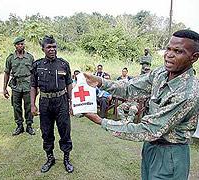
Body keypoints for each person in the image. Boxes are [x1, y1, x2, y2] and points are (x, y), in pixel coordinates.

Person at [83, 29, 199, 180]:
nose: (169, 55)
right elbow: (130, 88)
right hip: (151, 147)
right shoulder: (161, 73)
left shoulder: (188, 93)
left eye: (178, 51)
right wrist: (100, 82)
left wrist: (102, 121)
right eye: (168, 49)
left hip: (170, 154)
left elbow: (150, 129)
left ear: (194, 57)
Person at [31, 35, 74, 173]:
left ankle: (66, 158)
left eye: (54, 47)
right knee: (46, 132)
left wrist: (71, 103)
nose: (52, 49)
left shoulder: (64, 64)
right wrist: (32, 104)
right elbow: (33, 86)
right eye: (49, 47)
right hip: (45, 103)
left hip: (61, 101)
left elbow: (69, 84)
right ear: (43, 48)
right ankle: (50, 158)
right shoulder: (37, 65)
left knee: (65, 131)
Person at [3, 36, 35, 136]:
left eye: (22, 44)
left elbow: (34, 73)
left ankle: (29, 125)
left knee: (28, 106)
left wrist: (36, 87)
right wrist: (4, 88)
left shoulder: (30, 57)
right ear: (15, 46)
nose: (20, 46)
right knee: (16, 106)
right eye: (18, 44)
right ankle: (19, 126)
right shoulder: (10, 58)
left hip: (27, 85)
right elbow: (7, 73)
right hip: (16, 86)